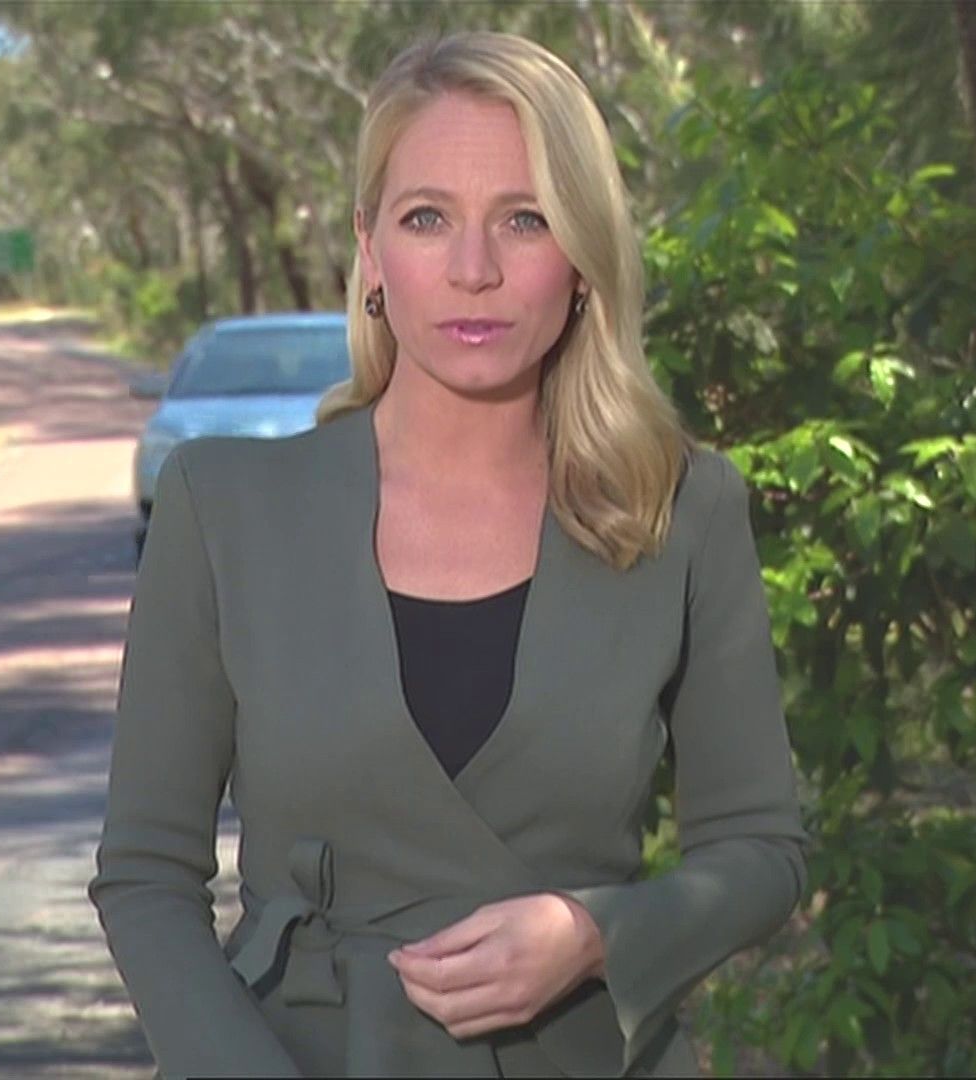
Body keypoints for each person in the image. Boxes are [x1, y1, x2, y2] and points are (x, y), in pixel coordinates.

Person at [89, 30, 809, 1078]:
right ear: (371, 250)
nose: (475, 271)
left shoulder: (682, 510)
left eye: (526, 219)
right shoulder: (224, 507)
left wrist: (595, 933)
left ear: (583, 258)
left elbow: (762, 850)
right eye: (428, 218)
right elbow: (147, 875)